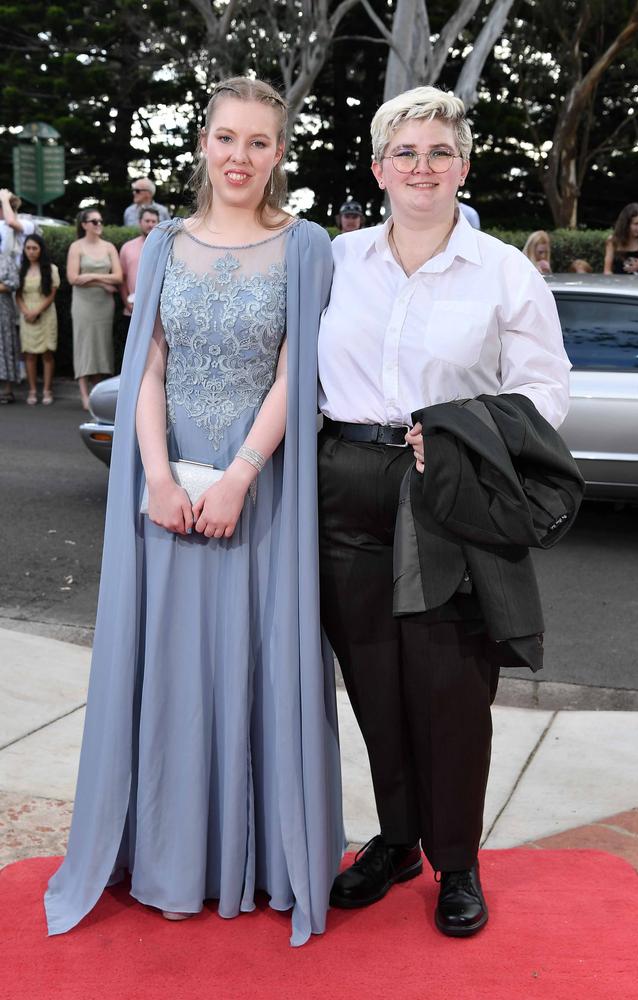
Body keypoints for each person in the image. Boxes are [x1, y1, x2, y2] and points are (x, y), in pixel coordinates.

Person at [44, 76, 343, 948]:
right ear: (202, 144)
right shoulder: (166, 241)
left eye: (259, 142)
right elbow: (149, 367)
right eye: (226, 139)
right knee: (171, 675)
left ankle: (260, 864)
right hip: (168, 497)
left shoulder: (308, 245)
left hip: (262, 497)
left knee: (259, 666)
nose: (240, 157)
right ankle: (174, 861)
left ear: (280, 154)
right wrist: (158, 479)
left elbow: (301, 372)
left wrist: (242, 474)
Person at [317, 86, 571, 938]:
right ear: (381, 166)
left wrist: (465, 439)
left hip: (447, 492)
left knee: (451, 685)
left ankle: (456, 862)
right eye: (405, 152)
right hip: (346, 477)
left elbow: (545, 394)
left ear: (463, 164)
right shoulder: (337, 261)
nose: (421, 167)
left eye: (439, 152)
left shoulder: (504, 271)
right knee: (374, 682)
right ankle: (396, 842)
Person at [67, 207, 122, 409]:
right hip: (83, 304)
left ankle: (97, 390)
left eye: (100, 221)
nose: (99, 225)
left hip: (104, 305)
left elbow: (118, 277)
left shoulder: (108, 247)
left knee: (100, 346)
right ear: (84, 225)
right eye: (94, 222)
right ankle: (83, 394)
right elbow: (73, 278)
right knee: (83, 344)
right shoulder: (76, 247)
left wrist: (90, 276)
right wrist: (101, 283)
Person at [16, 234, 59, 405]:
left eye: (35, 248)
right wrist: (26, 311)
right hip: (26, 315)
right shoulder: (21, 269)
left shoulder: (51, 269)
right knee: (29, 355)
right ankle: (32, 390)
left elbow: (52, 294)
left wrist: (37, 311)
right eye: (28, 248)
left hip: (46, 314)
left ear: (41, 249)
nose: (31, 252)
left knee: (47, 354)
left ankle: (47, 390)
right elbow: (18, 295)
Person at [119, 205, 159, 335]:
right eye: (147, 221)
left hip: (157, 312)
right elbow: (122, 279)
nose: (150, 224)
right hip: (132, 309)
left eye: (154, 221)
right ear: (140, 222)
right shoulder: (127, 247)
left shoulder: (164, 248)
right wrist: (126, 303)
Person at [603, 203, 638, 275]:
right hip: (620, 284)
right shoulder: (613, 241)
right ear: (626, 224)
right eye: (636, 224)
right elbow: (607, 271)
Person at [0, 250, 19, 402]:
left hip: (3, 311)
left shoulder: (6, 259)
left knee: (5, 346)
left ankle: (7, 389)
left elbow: (14, 282)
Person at [0, 189, 36, 265]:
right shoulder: (1, 225)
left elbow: (11, 222)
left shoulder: (27, 223)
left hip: (20, 272)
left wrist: (4, 200)